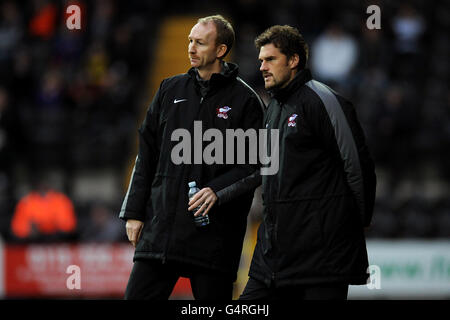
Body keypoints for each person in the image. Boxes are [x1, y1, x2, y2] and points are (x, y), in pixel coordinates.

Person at [119, 15, 264, 300]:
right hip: (162, 230)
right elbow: (146, 154)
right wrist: (134, 213)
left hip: (214, 238)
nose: (191, 48)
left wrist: (218, 191)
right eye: (189, 41)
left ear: (220, 50)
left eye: (200, 42)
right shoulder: (168, 89)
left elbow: (259, 165)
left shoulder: (246, 101)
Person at [239, 25, 376, 300]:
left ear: (293, 60)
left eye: (270, 59)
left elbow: (358, 166)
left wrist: (356, 221)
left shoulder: (323, 100)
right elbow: (265, 173)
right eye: (261, 61)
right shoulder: (272, 110)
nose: (262, 67)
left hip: (322, 257)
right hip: (274, 258)